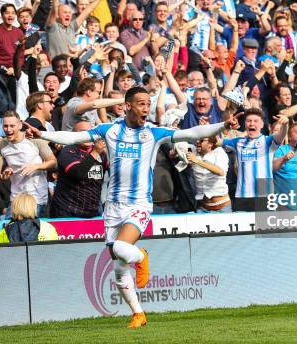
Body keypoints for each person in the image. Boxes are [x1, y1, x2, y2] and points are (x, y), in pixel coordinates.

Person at [25, 86, 240, 328]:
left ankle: (141, 256)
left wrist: (222, 126)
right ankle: (138, 314)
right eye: (141, 103)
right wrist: (42, 135)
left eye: (148, 103)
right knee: (118, 267)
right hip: (112, 207)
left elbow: (192, 132)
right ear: (128, 106)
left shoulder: (154, 132)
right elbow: (73, 138)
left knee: (121, 247)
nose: (146, 108)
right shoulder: (110, 130)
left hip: (138, 204)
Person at [0, 111, 56, 218]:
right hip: (16, 200)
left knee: (36, 233)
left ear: (20, 125)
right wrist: (2, 177)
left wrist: (36, 166)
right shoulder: (2, 144)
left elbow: (53, 163)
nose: (8, 129)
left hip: (37, 199)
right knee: (9, 232)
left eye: (12, 126)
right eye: (5, 126)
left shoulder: (34, 140)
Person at [51, 121, 108, 218]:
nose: (87, 135)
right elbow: (78, 172)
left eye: (89, 132)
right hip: (67, 212)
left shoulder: (102, 153)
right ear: (75, 135)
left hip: (92, 213)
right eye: (83, 132)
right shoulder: (68, 151)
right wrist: (94, 153)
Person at [187, 136, 230, 213]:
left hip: (221, 208)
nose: (197, 142)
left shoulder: (219, 152)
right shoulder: (194, 151)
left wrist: (197, 161)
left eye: (201, 140)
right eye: (197, 140)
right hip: (203, 207)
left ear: (210, 143)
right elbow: (180, 144)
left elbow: (220, 172)